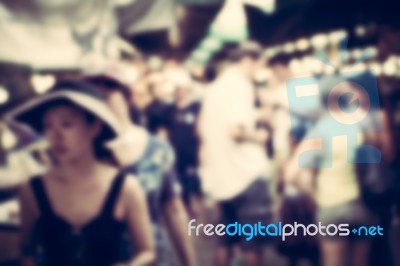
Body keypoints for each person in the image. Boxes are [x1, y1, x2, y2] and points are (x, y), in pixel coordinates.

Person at [6, 80, 155, 266]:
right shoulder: (33, 188)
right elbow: (27, 248)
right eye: (48, 126)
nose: (56, 135)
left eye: (67, 124)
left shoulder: (125, 187)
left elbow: (147, 251)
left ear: (94, 127)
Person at [86, 75, 196, 266]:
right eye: (94, 93)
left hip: (154, 259)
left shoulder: (157, 150)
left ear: (126, 96)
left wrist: (190, 262)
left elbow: (174, 210)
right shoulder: (84, 154)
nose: (101, 98)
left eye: (109, 90)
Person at [284, 74, 380, 266]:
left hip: (330, 209)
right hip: (363, 205)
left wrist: (313, 192)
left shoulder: (320, 131)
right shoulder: (361, 124)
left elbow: (290, 174)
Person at [198, 41, 272, 266]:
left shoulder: (214, 88)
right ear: (249, 60)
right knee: (253, 245)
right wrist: (259, 136)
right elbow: (236, 130)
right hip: (246, 176)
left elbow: (203, 128)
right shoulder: (240, 85)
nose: (259, 72)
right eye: (260, 65)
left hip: (223, 179)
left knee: (225, 242)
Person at [162, 68, 203, 217]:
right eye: (177, 89)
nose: (179, 92)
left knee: (197, 187)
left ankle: (202, 219)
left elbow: (202, 130)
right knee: (181, 188)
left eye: (182, 88)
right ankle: (187, 216)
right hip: (176, 155)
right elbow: (163, 132)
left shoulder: (197, 107)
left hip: (193, 154)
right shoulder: (168, 109)